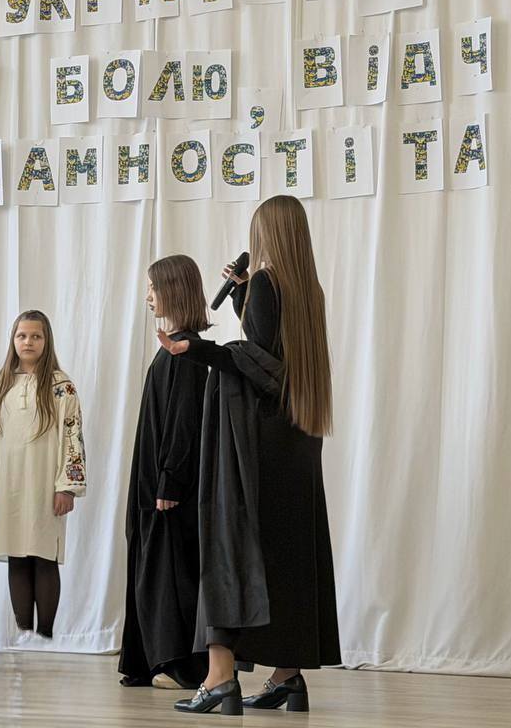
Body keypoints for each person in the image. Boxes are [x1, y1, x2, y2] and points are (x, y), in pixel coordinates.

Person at [162, 196, 341, 717]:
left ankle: (220, 680)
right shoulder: (307, 290)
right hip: (296, 443)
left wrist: (196, 349)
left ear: (266, 233)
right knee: (286, 555)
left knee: (232, 544)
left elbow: (260, 366)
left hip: (257, 443)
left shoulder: (267, 281)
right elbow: (280, 358)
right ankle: (287, 675)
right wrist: (242, 298)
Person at [118, 255, 211, 690]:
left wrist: (170, 479)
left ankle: (183, 667)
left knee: (171, 573)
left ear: (173, 289)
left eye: (153, 287)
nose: (148, 296)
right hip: (153, 481)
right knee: (152, 569)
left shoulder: (187, 350)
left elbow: (184, 421)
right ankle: (152, 659)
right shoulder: (174, 345)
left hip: (169, 487)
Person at [0, 310, 87, 639]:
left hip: (46, 485)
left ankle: (44, 635)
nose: (28, 341)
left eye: (36, 336)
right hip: (10, 486)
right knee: (18, 557)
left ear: (46, 341)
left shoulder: (61, 386)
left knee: (43, 556)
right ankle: (24, 633)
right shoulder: (0, 386)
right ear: (13, 340)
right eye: (22, 335)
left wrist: (67, 486)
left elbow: (72, 435)